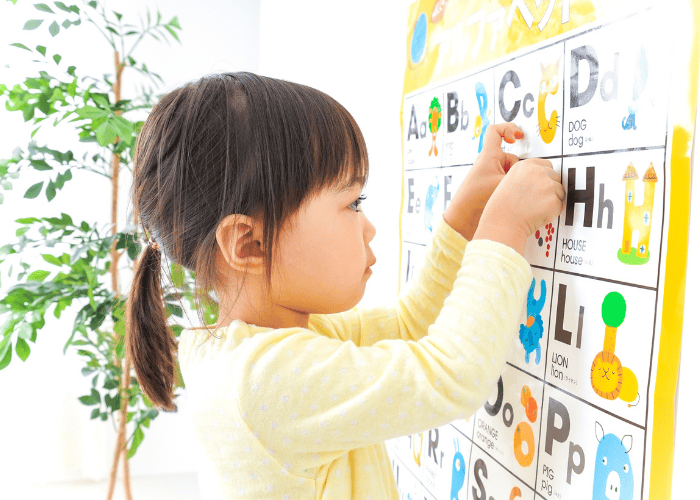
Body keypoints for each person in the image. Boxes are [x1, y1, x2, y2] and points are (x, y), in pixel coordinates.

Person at [125, 72, 564, 499]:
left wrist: (466, 213)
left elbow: (410, 324)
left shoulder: (260, 341)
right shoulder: (263, 378)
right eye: (353, 203)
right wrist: (505, 223)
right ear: (249, 243)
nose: (368, 227)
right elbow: (451, 375)